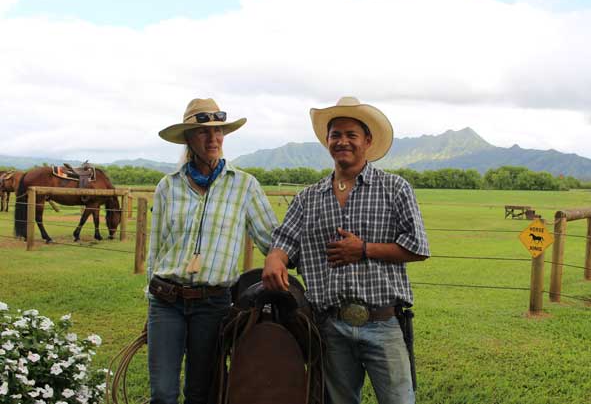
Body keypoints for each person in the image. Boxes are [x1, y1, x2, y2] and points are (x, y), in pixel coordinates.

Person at [262, 96, 430, 404]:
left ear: (367, 140)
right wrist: (275, 258)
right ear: (327, 141)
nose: (343, 141)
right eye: (335, 135)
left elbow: (418, 246)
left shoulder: (394, 189)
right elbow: (285, 239)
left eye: (351, 135)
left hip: (383, 322)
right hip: (331, 325)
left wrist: (364, 249)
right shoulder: (308, 198)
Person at [148, 98, 278, 404]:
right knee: (163, 393)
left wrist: (285, 255)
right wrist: (149, 301)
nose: (213, 138)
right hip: (166, 300)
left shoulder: (244, 186)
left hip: (213, 303)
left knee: (202, 392)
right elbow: (156, 249)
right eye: (204, 132)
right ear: (189, 139)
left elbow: (272, 240)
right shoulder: (168, 186)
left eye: (219, 131)